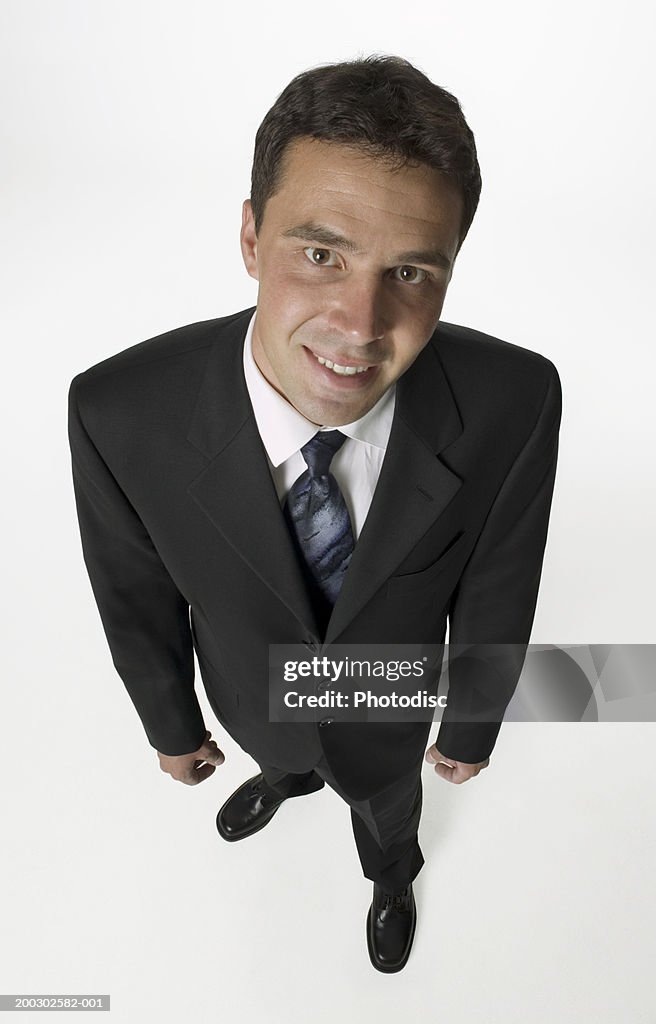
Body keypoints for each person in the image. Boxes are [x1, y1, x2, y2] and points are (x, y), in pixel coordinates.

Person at [67, 55, 561, 973]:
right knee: (288, 753)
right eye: (320, 252)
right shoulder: (118, 411)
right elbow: (131, 593)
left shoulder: (515, 398)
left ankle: (391, 874)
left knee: (386, 816)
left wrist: (469, 726)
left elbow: (500, 579)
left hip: (387, 716)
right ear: (251, 237)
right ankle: (286, 776)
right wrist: (172, 728)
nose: (361, 322)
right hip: (249, 696)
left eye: (409, 271)